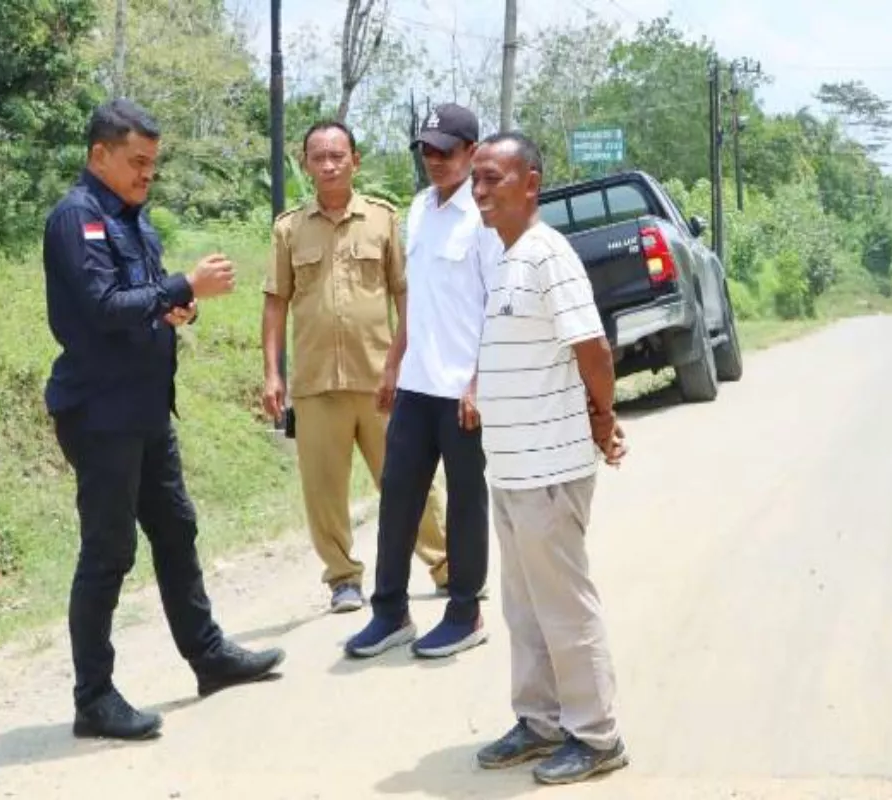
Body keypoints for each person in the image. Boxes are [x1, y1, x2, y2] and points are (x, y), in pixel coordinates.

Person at [43, 99, 285, 741]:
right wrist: (181, 288)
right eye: (137, 162)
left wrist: (181, 309)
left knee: (177, 530)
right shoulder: (78, 219)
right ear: (100, 155)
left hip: (148, 410)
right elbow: (100, 306)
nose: (148, 174)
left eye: (154, 163)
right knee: (109, 551)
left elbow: (146, 304)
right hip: (100, 414)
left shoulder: (136, 223)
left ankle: (207, 656)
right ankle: (93, 698)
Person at [468, 131, 630, 785]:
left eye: (492, 179)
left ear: (530, 184)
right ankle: (540, 721)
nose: (479, 191)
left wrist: (603, 418)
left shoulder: (547, 254)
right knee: (525, 607)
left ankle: (596, 736)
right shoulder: (505, 258)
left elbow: (592, 349)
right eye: (475, 179)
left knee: (564, 605)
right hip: (509, 471)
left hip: (549, 471)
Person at [262, 121, 450, 613]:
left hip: (383, 379)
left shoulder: (383, 220)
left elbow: (404, 293)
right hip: (315, 383)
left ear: (354, 160)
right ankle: (343, 578)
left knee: (410, 478)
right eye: (318, 157)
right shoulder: (288, 229)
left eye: (337, 155)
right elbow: (275, 303)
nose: (328, 165)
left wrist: (403, 362)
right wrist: (272, 374)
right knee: (323, 491)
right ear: (305, 164)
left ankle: (446, 564)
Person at [345, 104, 501, 660]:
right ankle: (390, 611)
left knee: (464, 501)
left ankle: (465, 611)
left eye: (447, 151)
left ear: (472, 153)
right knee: (399, 496)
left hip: (463, 390)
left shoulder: (484, 217)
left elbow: (496, 307)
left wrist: (480, 382)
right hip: (416, 383)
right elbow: (416, 298)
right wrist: (393, 365)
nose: (435, 160)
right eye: (427, 150)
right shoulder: (417, 209)